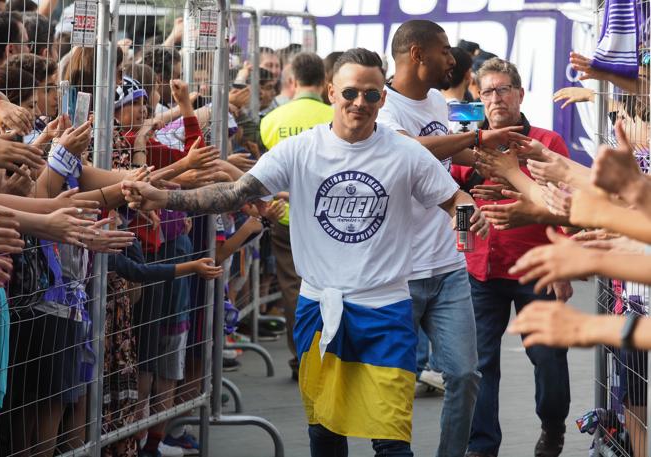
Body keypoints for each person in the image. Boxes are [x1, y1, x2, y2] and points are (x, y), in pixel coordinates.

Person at [122, 47, 487, 457]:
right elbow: (233, 193)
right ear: (332, 92)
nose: (359, 104)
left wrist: (467, 230)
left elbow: (458, 200)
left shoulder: (405, 154)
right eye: (350, 93)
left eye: (371, 95)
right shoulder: (300, 150)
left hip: (386, 311)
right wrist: (162, 196)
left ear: (383, 98)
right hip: (321, 309)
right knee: (325, 433)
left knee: (391, 437)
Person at [377, 20, 489, 457]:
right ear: (417, 54)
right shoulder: (383, 109)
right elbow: (412, 152)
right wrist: (478, 137)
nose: (453, 59)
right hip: (399, 274)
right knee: (394, 381)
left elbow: (448, 164)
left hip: (447, 269)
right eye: (444, 50)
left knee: (464, 375)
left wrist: (500, 162)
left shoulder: (439, 101)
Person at [450, 57, 573, 457]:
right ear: (477, 98)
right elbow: (457, 198)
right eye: (486, 91)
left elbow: (563, 207)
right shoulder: (466, 145)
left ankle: (553, 427)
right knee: (480, 366)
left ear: (519, 94)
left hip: (537, 266)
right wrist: (465, 247)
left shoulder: (546, 142)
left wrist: (564, 264)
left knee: (550, 359)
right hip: (481, 271)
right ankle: (482, 447)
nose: (495, 97)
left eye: (503, 89)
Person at [259, 52, 333, 379]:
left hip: (285, 215)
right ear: (325, 82)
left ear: (292, 81)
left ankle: (301, 355)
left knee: (293, 289)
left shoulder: (271, 120)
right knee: (332, 284)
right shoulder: (336, 116)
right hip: (331, 217)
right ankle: (331, 351)